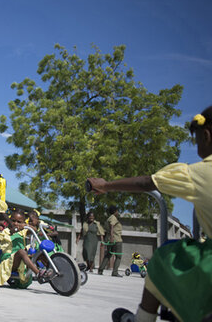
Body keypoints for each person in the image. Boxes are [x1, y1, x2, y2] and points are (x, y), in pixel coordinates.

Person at [87, 106, 212, 322]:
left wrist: (106, 185)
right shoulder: (111, 219)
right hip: (113, 239)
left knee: (165, 256)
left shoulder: (200, 173)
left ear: (207, 135)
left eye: (198, 139)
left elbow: (147, 182)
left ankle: (143, 318)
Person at [0, 208, 54, 287]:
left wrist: (25, 226)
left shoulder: (22, 231)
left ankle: (51, 270)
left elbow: (35, 229)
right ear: (9, 220)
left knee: (38, 251)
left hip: (21, 260)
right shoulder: (4, 231)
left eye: (19, 222)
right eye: (13, 220)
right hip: (8, 262)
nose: (16, 223)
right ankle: (38, 273)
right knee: (21, 252)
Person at [98, 205, 123, 277]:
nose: (118, 212)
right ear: (115, 211)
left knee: (108, 254)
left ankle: (101, 269)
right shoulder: (113, 218)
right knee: (118, 256)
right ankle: (115, 272)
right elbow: (112, 226)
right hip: (116, 239)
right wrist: (112, 237)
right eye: (117, 211)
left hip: (110, 239)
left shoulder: (109, 218)